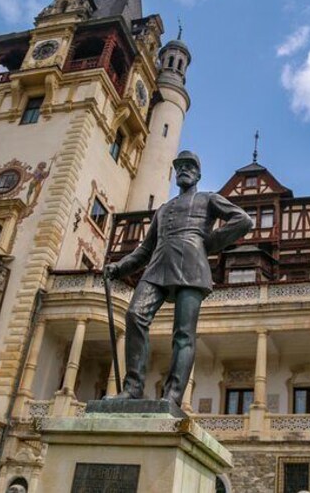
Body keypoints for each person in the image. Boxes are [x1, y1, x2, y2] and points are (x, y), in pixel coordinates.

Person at [104, 151, 252, 406]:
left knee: (183, 334)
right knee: (134, 315)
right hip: (157, 267)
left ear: (198, 174)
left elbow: (243, 220)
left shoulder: (208, 199)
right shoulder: (162, 210)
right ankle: (133, 388)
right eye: (180, 166)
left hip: (192, 266)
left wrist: (208, 243)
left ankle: (172, 396)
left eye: (189, 166)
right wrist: (119, 267)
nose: (184, 169)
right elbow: (144, 250)